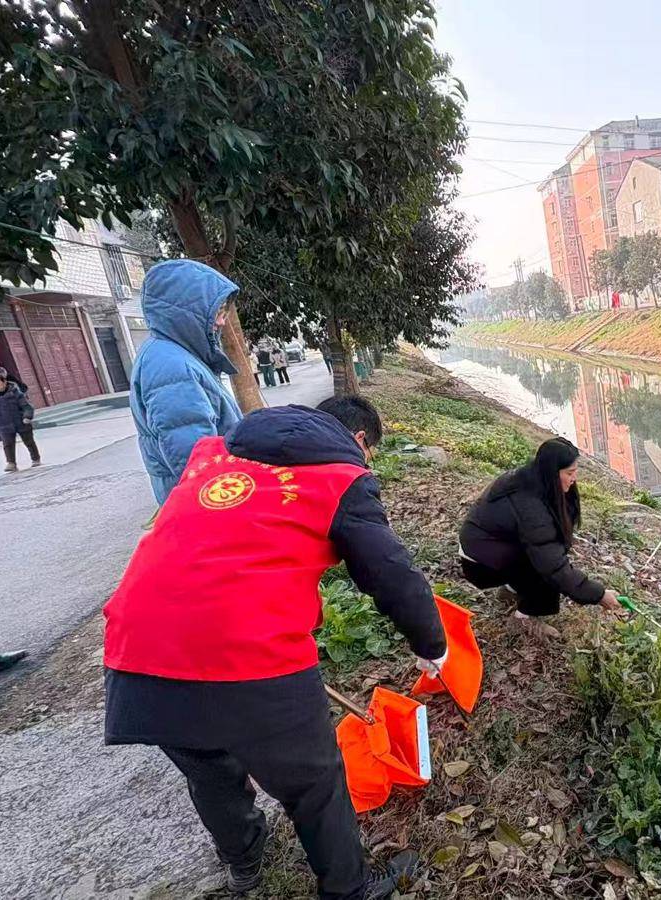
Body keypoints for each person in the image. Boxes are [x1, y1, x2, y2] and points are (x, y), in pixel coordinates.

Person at [103, 396, 446, 899]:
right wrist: (431, 644)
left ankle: (243, 861)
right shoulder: (340, 479)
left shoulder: (211, 457)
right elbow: (391, 572)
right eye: (369, 452)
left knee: (209, 769)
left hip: (137, 646)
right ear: (358, 440)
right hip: (250, 650)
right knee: (314, 782)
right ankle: (349, 890)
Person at [459, 437, 620, 639]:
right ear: (552, 472)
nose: (574, 479)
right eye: (569, 473)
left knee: (544, 556)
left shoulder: (533, 479)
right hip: (480, 565)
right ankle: (523, 619)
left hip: (491, 551)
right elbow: (554, 567)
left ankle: (511, 590)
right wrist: (599, 594)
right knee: (546, 567)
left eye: (575, 472)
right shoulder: (530, 507)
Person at [130, 259, 243, 504]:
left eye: (223, 312)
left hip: (213, 494)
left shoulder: (175, 354)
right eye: (217, 312)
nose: (221, 322)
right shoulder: (169, 363)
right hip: (211, 500)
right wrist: (226, 505)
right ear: (186, 312)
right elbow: (195, 458)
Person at [0, 366, 40, 473]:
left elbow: (27, 407)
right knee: (7, 444)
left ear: (4, 382)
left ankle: (35, 458)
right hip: (4, 424)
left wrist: (27, 416)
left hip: (21, 422)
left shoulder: (15, 393)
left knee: (29, 441)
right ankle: (11, 463)